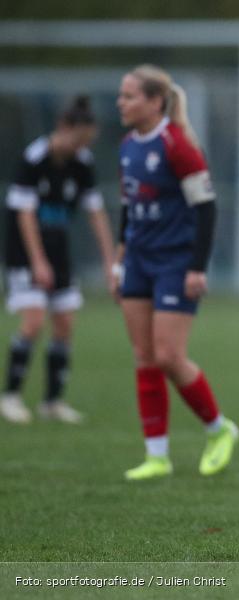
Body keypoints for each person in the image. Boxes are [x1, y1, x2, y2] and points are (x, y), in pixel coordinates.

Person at [115, 64, 239, 481]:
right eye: (121, 95)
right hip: (137, 261)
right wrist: (118, 261)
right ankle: (157, 456)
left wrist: (196, 268)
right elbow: (127, 208)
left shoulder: (177, 144)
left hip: (175, 262)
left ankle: (219, 429)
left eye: (129, 96)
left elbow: (206, 208)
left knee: (168, 355)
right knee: (144, 356)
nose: (121, 103)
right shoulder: (127, 146)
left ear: (155, 102)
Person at [1, 96, 116, 425]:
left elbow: (95, 212)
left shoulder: (82, 163)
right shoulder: (34, 159)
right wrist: (37, 261)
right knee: (34, 321)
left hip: (59, 250)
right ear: (63, 128)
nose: (82, 147)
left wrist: (110, 261)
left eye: (87, 142)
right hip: (25, 252)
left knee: (65, 323)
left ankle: (52, 402)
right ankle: (10, 396)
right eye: (79, 140)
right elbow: (24, 215)